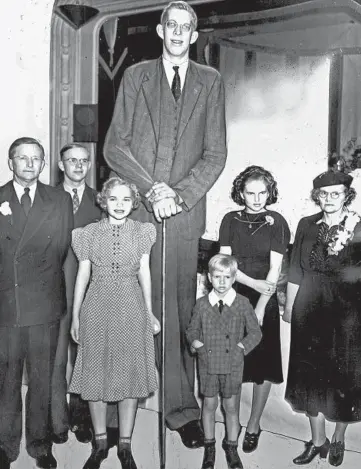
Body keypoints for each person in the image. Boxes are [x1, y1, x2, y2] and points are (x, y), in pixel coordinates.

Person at [103, 0, 226, 448]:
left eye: (185, 27)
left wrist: (182, 194)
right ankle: (118, 405)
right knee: (128, 307)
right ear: (161, 30)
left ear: (194, 36)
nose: (177, 33)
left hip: (184, 215)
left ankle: (179, 409)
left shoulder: (211, 82)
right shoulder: (135, 76)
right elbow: (115, 148)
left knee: (175, 311)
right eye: (170, 25)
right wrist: (153, 188)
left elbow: (216, 153)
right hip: (137, 211)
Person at [69, 177, 160, 469]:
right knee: (95, 373)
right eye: (113, 199)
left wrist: (149, 312)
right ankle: (99, 444)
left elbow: (144, 273)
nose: (119, 205)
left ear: (133, 203)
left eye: (125, 200)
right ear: (103, 201)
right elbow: (83, 275)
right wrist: (75, 316)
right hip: (96, 307)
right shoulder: (88, 234)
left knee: (129, 376)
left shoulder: (143, 232)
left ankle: (125, 445)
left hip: (131, 306)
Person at [0, 137, 73, 469]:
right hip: (6, 304)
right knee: (7, 379)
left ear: (44, 165)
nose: (29, 164)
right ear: (10, 162)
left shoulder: (59, 199)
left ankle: (40, 445)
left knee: (42, 378)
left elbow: (59, 250)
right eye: (22, 158)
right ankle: (6, 445)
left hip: (44, 302)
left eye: (36, 159)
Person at [283, 170, 361, 466]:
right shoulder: (306, 225)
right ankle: (318, 440)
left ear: (347, 196)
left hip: (347, 310)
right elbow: (295, 269)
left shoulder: (359, 226)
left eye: (336, 193)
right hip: (310, 303)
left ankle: (339, 438)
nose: (329, 199)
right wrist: (290, 307)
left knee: (343, 374)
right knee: (310, 374)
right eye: (324, 194)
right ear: (317, 196)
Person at [219, 166, 290, 453]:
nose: (257, 198)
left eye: (263, 192)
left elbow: (274, 270)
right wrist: (250, 283)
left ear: (270, 192)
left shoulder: (277, 221)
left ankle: (254, 424)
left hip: (266, 297)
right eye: (250, 192)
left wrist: (261, 306)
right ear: (240, 192)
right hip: (234, 293)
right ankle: (232, 426)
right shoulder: (229, 219)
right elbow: (224, 265)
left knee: (262, 366)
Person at [187, 254, 261, 469]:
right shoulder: (201, 305)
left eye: (226, 277)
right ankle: (209, 447)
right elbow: (191, 330)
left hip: (232, 365)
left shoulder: (242, 304)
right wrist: (196, 343)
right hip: (208, 364)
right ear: (209, 278)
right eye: (217, 276)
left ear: (234, 278)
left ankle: (231, 447)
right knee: (209, 405)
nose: (221, 282)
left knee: (230, 407)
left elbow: (255, 333)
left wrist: (241, 348)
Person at [51, 143, 102, 445]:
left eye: (84, 161)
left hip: (90, 288)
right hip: (55, 288)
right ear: (61, 165)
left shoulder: (101, 200)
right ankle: (57, 420)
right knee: (56, 357)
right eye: (72, 161)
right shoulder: (47, 198)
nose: (79, 166)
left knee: (85, 356)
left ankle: (81, 417)